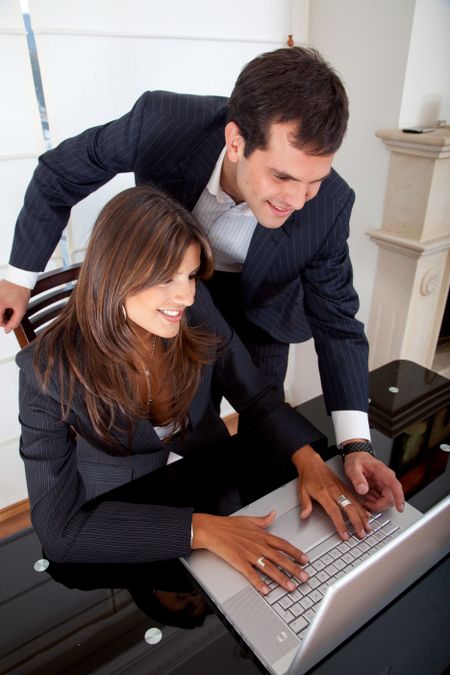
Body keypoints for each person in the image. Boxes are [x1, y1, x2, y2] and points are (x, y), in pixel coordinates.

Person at [7, 46, 402, 508]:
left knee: (265, 447)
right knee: (170, 434)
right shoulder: (162, 122)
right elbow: (60, 173)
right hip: (171, 299)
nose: (298, 201)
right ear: (235, 141)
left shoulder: (331, 204)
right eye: (282, 177)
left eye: (313, 181)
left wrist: (356, 444)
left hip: (263, 316)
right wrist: (18, 276)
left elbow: (338, 322)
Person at [16, 186, 402, 597]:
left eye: (190, 274)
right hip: (122, 507)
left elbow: (254, 395)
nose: (186, 296)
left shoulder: (195, 310)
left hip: (212, 477)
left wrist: (310, 462)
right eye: (167, 278)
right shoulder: (44, 372)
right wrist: (200, 529)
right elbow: (59, 533)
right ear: (115, 274)